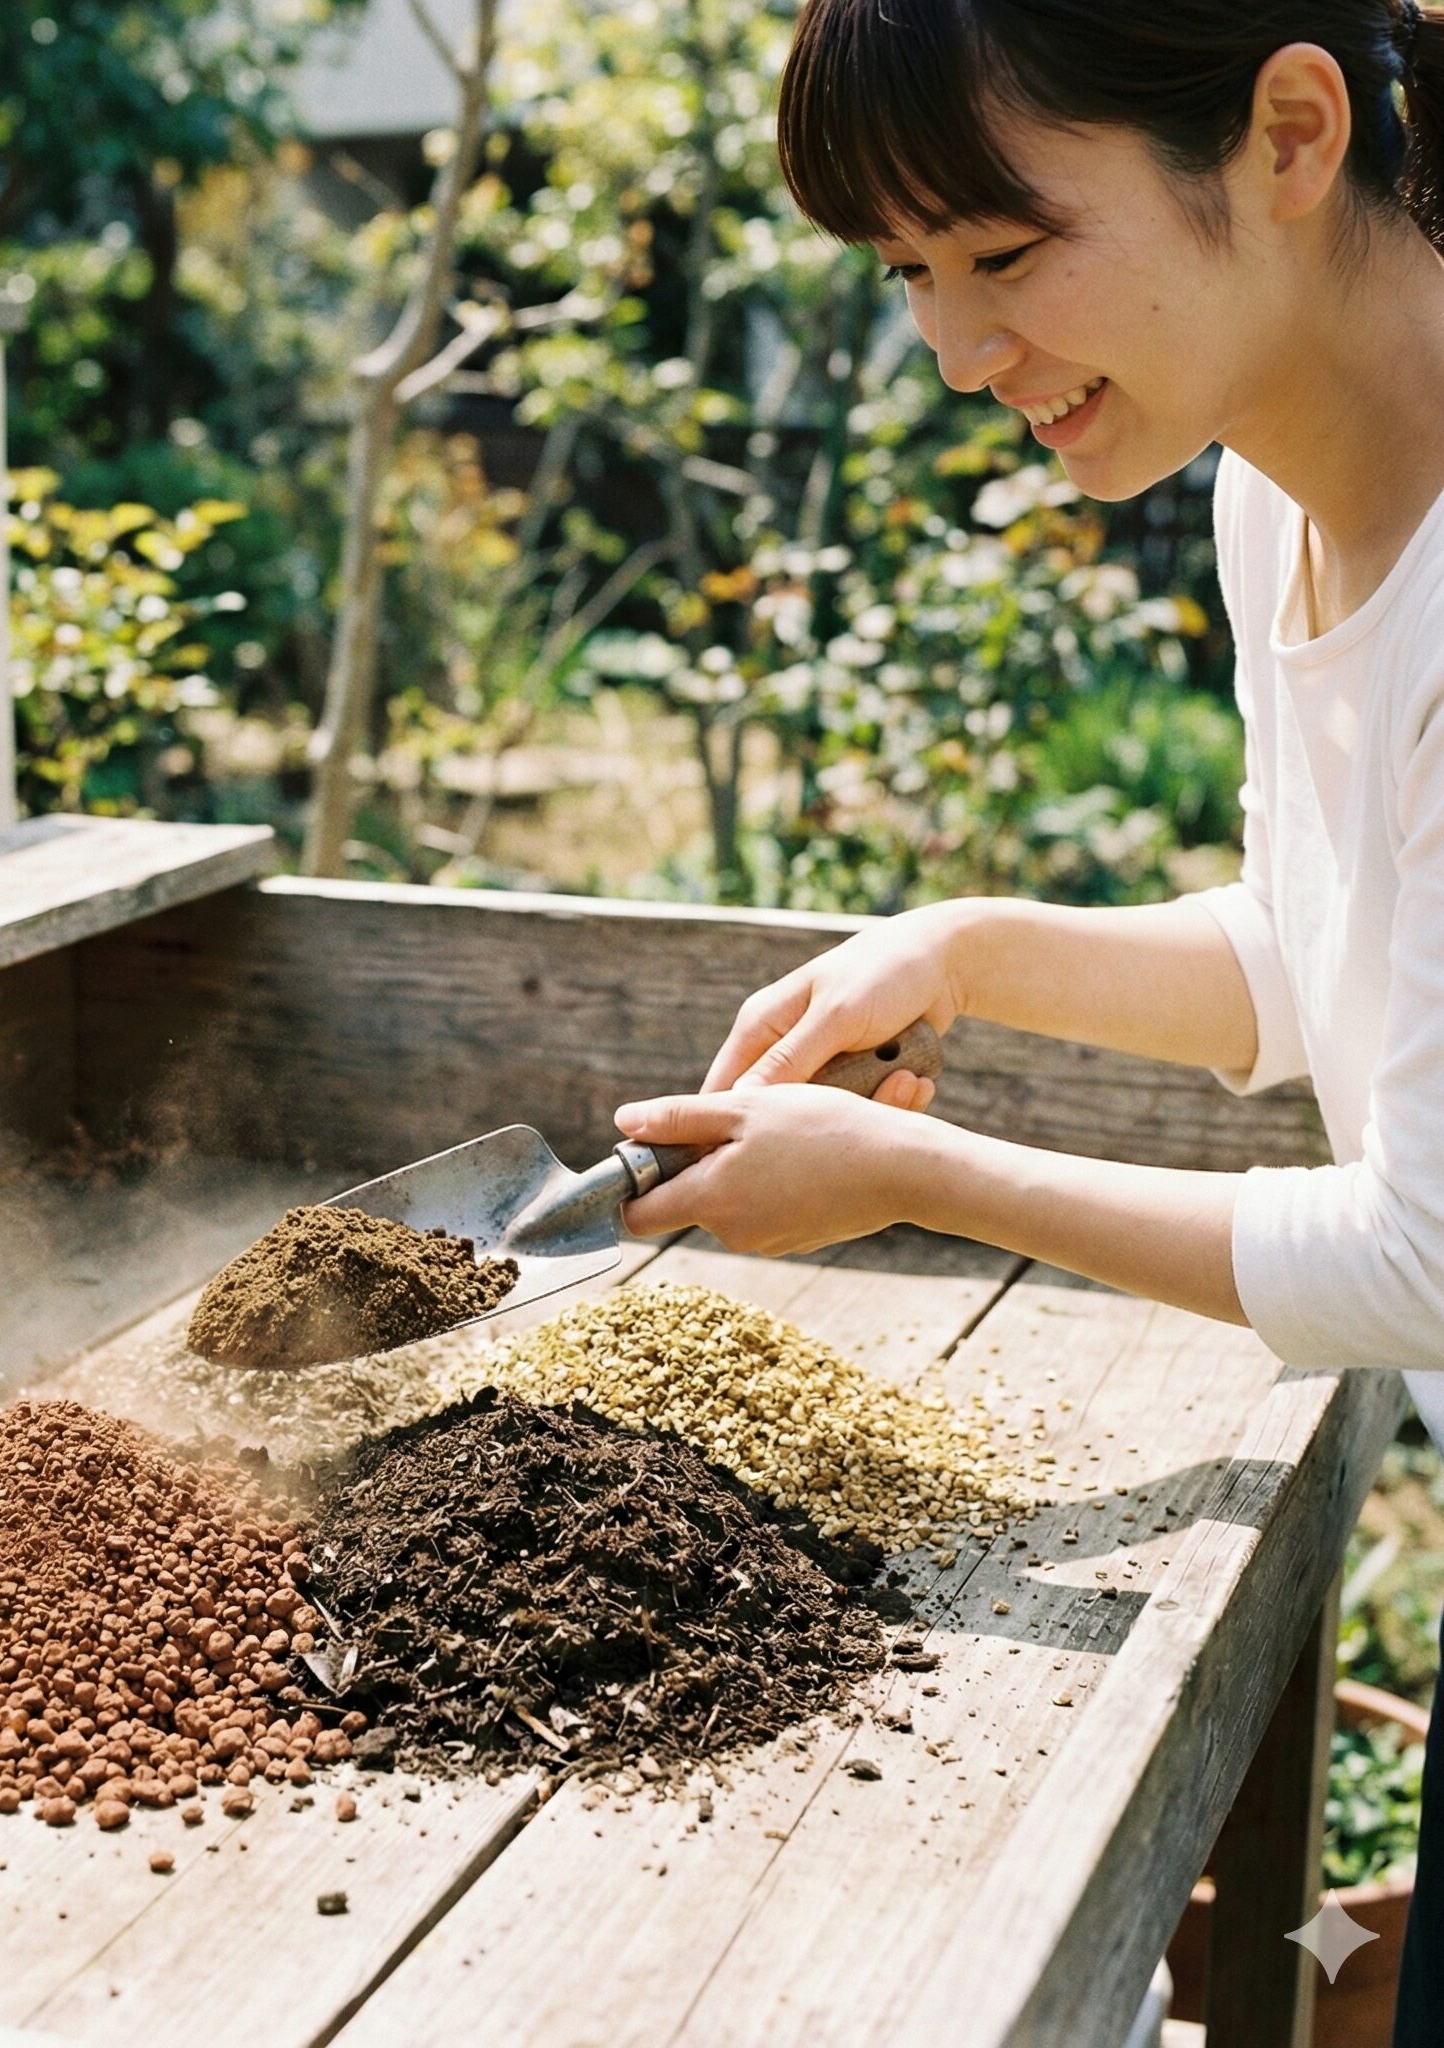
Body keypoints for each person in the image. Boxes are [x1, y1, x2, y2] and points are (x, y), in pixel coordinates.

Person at [610, 2, 1444, 2038]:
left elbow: (1429, 1245)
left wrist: (908, 1168)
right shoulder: (1282, 493)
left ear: (1288, 130)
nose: (956, 354)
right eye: (909, 274)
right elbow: (1320, 959)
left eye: (1001, 252)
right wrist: (964, 943)